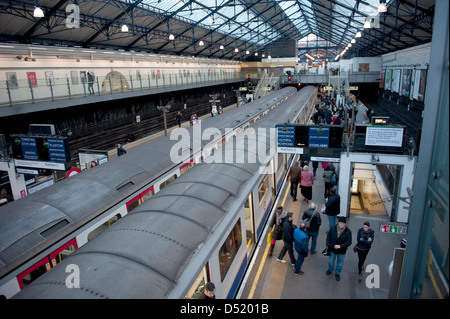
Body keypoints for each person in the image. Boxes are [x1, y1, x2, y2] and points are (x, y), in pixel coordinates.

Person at [326, 216, 352, 281]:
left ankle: (337, 273)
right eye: (340, 223)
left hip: (341, 251)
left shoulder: (348, 232)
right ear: (338, 223)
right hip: (332, 249)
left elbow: (349, 242)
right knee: (330, 261)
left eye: (343, 223)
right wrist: (328, 244)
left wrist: (340, 246)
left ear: (345, 224)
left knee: (340, 264)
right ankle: (330, 269)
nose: (341, 224)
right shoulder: (333, 228)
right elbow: (328, 236)